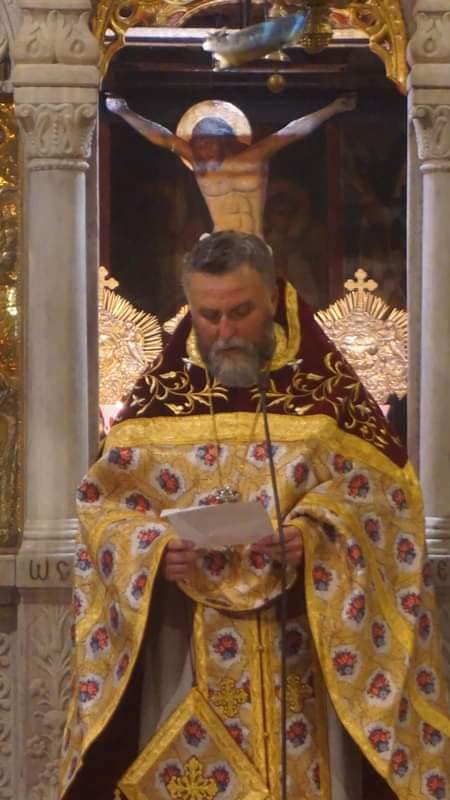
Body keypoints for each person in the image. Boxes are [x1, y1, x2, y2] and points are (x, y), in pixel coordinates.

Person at [60, 231, 449, 800]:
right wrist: (152, 550)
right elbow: (103, 507)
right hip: (183, 647)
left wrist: (317, 534)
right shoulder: (159, 402)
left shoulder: (326, 396)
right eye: (208, 315)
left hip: (302, 651)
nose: (225, 331)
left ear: (272, 296)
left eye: (240, 312)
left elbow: (390, 502)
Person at [106, 95, 355, 236]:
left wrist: (331, 109)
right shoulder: (200, 164)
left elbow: (292, 132)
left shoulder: (253, 158)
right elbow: (164, 138)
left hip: (252, 242)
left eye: (206, 143)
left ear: (224, 141)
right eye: (197, 143)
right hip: (219, 241)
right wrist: (124, 112)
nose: (201, 149)